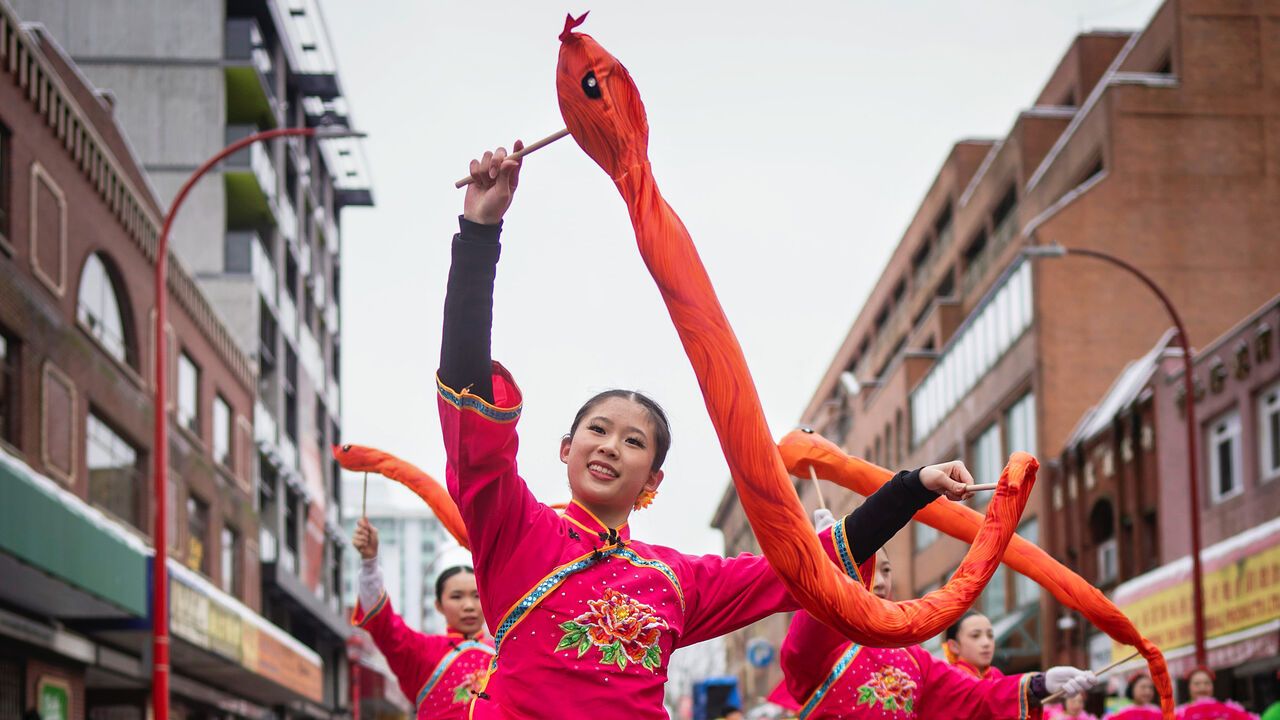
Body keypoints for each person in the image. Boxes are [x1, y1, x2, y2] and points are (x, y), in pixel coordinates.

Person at [437, 145, 986, 719]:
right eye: (597, 430)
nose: (609, 446)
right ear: (566, 449)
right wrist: (479, 235)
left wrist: (911, 488)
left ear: (654, 478)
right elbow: (469, 410)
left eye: (633, 441)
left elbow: (806, 563)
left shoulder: (675, 580)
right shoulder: (516, 529)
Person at [778, 513, 1098, 719]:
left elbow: (975, 697)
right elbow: (806, 637)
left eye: (886, 570)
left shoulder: (913, 657)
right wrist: (827, 564)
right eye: (867, 569)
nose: (879, 580)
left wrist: (1040, 684)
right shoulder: (825, 645)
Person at [351, 518, 494, 718]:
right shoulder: (421, 650)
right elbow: (383, 624)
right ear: (438, 605)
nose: (468, 606)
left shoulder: (505, 655)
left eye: (476, 596)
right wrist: (369, 563)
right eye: (456, 596)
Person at [1177, 667, 1257, 720]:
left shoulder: (1229, 710)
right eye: (1197, 684)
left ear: (1213, 686)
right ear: (1189, 687)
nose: (1202, 687)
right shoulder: (1178, 715)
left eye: (1207, 683)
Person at [946, 611, 1002, 679]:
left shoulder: (996, 674)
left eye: (990, 635)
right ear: (954, 646)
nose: (986, 643)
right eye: (975, 636)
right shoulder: (953, 678)